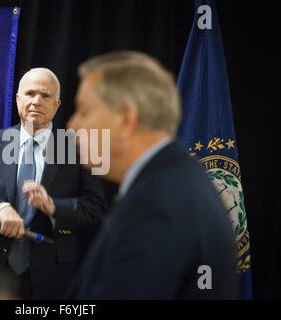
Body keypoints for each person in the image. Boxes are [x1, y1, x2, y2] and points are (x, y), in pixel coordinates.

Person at [66, 51, 237, 299]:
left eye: (83, 111)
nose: (72, 126)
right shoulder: (177, 180)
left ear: (126, 119)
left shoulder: (156, 205)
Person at [0, 67, 106, 299]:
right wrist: (0, 208)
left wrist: (54, 207)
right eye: (30, 93)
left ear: (57, 104)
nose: (36, 101)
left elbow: (96, 206)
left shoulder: (79, 149)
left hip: (52, 274)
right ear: (17, 99)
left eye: (45, 96)